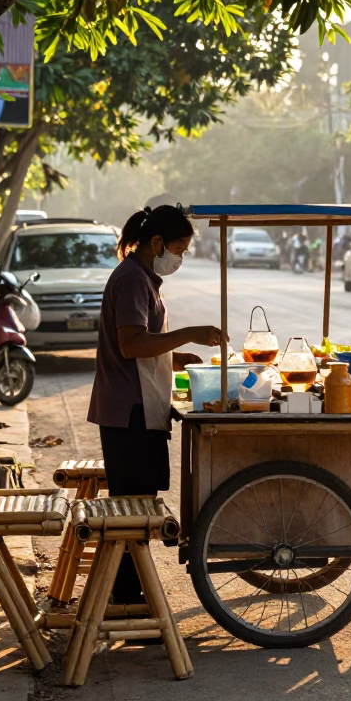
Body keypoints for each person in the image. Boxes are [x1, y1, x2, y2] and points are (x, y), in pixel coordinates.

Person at [87, 204, 224, 604]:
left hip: (135, 406)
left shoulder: (142, 278)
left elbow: (141, 341)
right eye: (178, 250)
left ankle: (128, 596)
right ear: (157, 242)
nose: (179, 259)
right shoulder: (132, 279)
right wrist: (188, 335)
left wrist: (175, 358)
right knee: (133, 514)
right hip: (128, 410)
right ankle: (128, 602)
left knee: (136, 508)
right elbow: (131, 344)